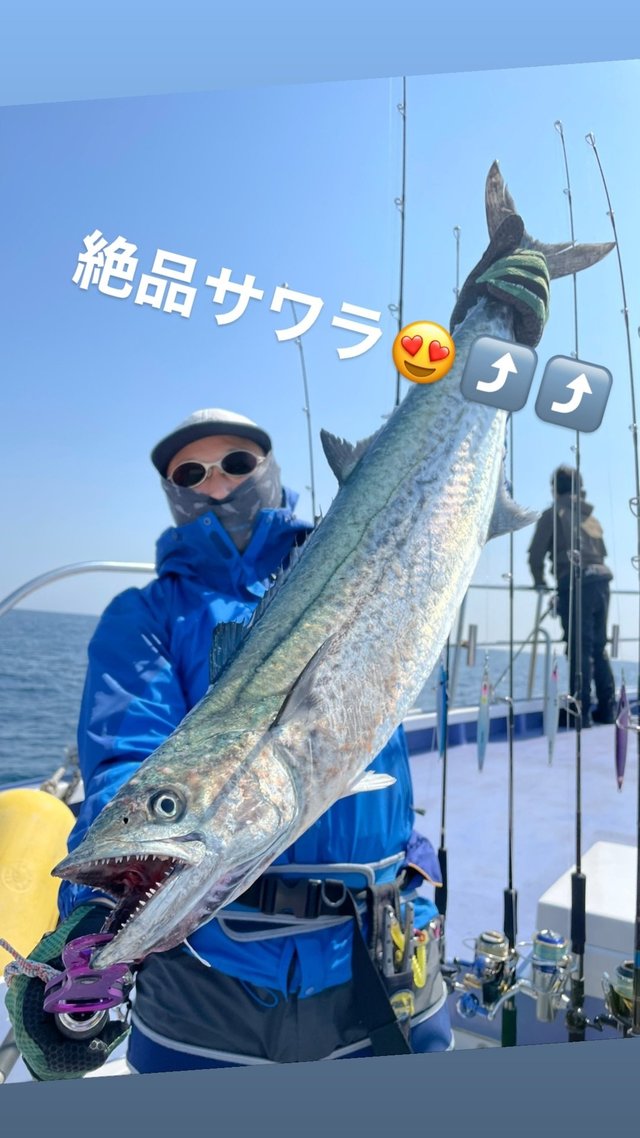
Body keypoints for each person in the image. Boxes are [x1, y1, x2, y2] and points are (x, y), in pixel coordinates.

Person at [6, 407, 452, 1080]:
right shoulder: (146, 616)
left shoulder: (361, 561)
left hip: (385, 949)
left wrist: (474, 374)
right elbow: (130, 763)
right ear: (171, 489)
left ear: (270, 469)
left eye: (237, 464)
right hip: (206, 986)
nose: (215, 484)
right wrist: (97, 917)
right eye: (190, 473)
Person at [528, 465, 616, 726]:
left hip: (577, 584)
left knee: (579, 648)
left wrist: (541, 582)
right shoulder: (590, 517)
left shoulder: (553, 513)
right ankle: (608, 709)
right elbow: (601, 553)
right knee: (598, 646)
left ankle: (581, 712)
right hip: (602, 582)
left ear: (554, 489)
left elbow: (535, 555)